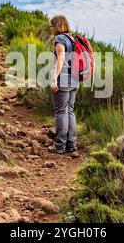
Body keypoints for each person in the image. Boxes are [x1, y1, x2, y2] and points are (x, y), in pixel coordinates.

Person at [48, 15, 79, 155]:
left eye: (52, 26)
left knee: (61, 111)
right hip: (75, 79)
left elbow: (60, 58)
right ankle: (71, 144)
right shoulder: (73, 39)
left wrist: (54, 78)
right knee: (70, 110)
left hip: (64, 80)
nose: (51, 29)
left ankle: (60, 145)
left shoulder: (60, 39)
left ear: (57, 25)